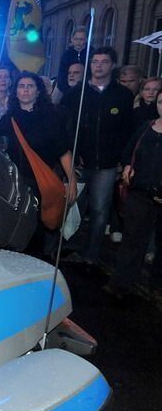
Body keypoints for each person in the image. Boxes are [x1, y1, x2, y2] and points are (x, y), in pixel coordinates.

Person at [60, 46, 135, 265]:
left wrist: (122, 158)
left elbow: (126, 129)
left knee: (100, 210)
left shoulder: (122, 95)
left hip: (107, 164)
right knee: (72, 207)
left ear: (112, 65)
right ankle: (66, 248)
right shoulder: (77, 93)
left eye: (103, 61)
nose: (98, 65)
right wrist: (71, 154)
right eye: (95, 62)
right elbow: (66, 127)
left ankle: (90, 255)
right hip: (79, 162)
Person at [0, 73, 77, 256]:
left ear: (38, 91)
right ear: (15, 91)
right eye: (21, 86)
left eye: (30, 86)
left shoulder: (50, 118)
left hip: (39, 184)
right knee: (13, 228)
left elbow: (64, 152)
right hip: (13, 186)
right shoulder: (8, 119)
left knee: (36, 231)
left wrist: (72, 181)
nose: (25, 90)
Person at [105, 95, 162, 299]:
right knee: (132, 240)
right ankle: (121, 284)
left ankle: (156, 285)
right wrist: (128, 164)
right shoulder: (146, 128)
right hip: (140, 193)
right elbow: (129, 150)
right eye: (161, 102)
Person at [57, 27, 88, 94]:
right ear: (72, 39)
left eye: (81, 39)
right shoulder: (66, 55)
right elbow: (62, 76)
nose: (78, 42)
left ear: (86, 40)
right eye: (76, 39)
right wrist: (69, 92)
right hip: (66, 88)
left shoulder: (91, 53)